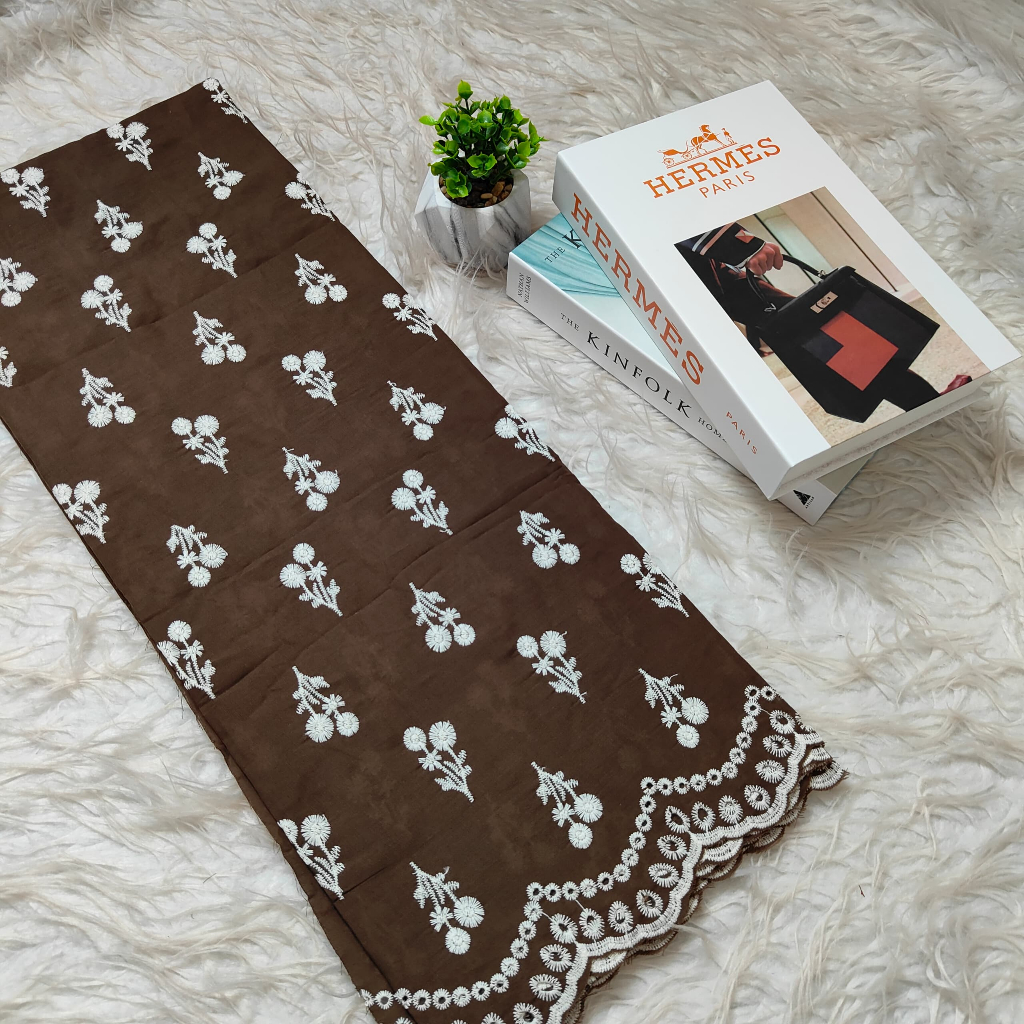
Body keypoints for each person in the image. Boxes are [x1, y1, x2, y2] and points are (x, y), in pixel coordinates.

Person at [675, 224, 971, 414]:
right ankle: (927, 406)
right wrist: (744, 245)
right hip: (693, 286)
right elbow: (669, 213)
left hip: (713, 281)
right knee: (822, 339)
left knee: (825, 338)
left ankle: (926, 404)